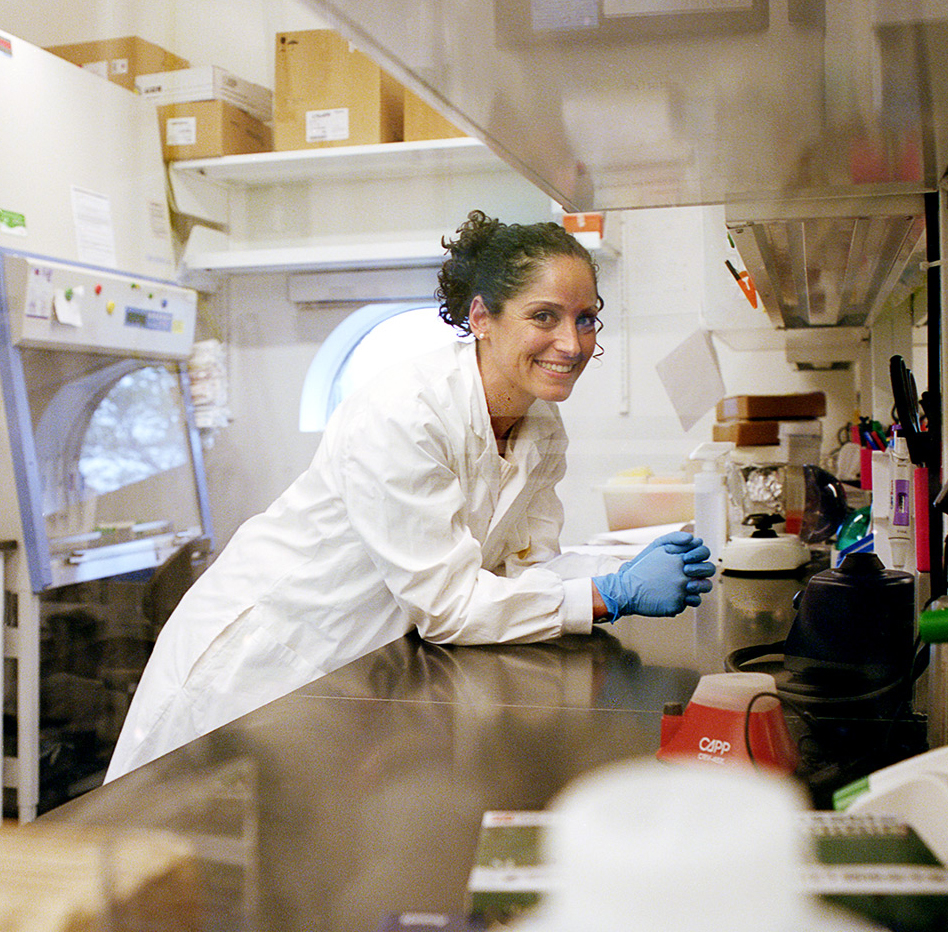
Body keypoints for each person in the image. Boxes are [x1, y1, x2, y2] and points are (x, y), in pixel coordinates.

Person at [105, 210, 715, 781]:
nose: (573, 343)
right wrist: (609, 597)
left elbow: (524, 569)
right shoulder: (408, 412)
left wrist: (617, 569)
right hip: (262, 665)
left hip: (355, 666)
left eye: (586, 318)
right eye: (544, 316)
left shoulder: (540, 425)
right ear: (482, 318)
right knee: (174, 863)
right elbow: (449, 605)